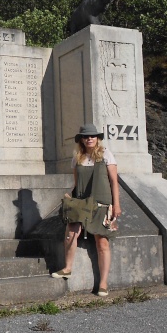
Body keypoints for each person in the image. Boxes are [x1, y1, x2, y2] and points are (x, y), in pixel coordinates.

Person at [51, 123, 121, 297]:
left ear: (97, 138)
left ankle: (103, 283)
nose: (89, 139)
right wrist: (71, 198)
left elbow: (114, 182)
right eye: (86, 136)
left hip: (102, 203)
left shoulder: (106, 155)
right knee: (71, 233)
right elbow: (77, 184)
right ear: (81, 139)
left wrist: (116, 205)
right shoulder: (78, 158)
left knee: (102, 242)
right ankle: (67, 268)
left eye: (93, 136)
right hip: (81, 203)